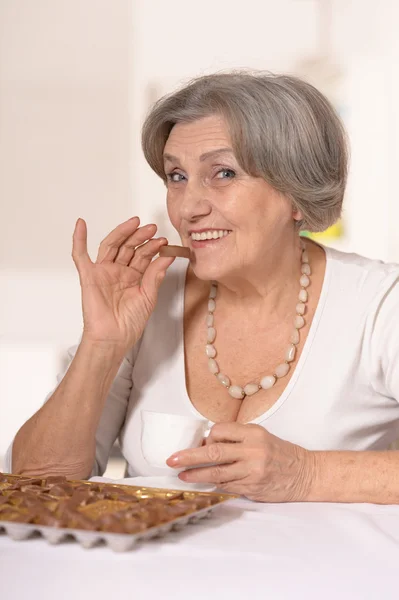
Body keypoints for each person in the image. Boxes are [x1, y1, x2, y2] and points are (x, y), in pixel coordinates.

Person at [7, 71, 399, 504]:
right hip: (150, 571)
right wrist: (102, 344)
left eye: (224, 173)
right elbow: (33, 486)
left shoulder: (380, 304)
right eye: (177, 176)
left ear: (295, 192)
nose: (188, 208)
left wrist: (306, 474)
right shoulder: (148, 299)